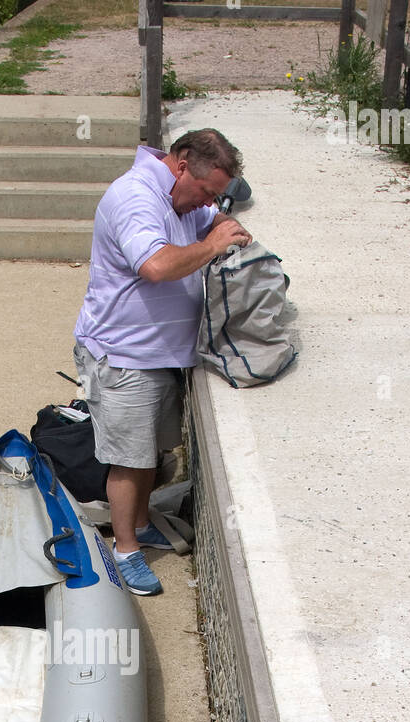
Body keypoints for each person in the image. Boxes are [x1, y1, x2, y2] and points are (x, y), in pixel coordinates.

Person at [74, 129, 252, 596]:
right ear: (181, 164)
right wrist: (213, 246)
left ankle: (140, 523)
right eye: (205, 191)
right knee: (129, 462)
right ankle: (127, 550)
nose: (206, 203)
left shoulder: (179, 198)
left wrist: (221, 226)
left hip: (158, 355)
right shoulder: (135, 197)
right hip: (124, 356)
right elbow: (155, 266)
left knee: (151, 454)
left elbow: (206, 222)